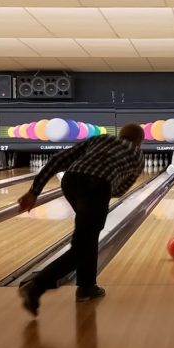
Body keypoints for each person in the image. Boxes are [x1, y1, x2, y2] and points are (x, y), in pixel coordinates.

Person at [16, 123, 145, 316]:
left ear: (120, 134)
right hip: (97, 186)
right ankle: (37, 285)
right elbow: (120, 190)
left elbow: (58, 159)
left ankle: (86, 287)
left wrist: (34, 192)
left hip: (70, 180)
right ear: (139, 142)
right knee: (82, 246)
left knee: (88, 236)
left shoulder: (100, 138)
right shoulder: (137, 155)